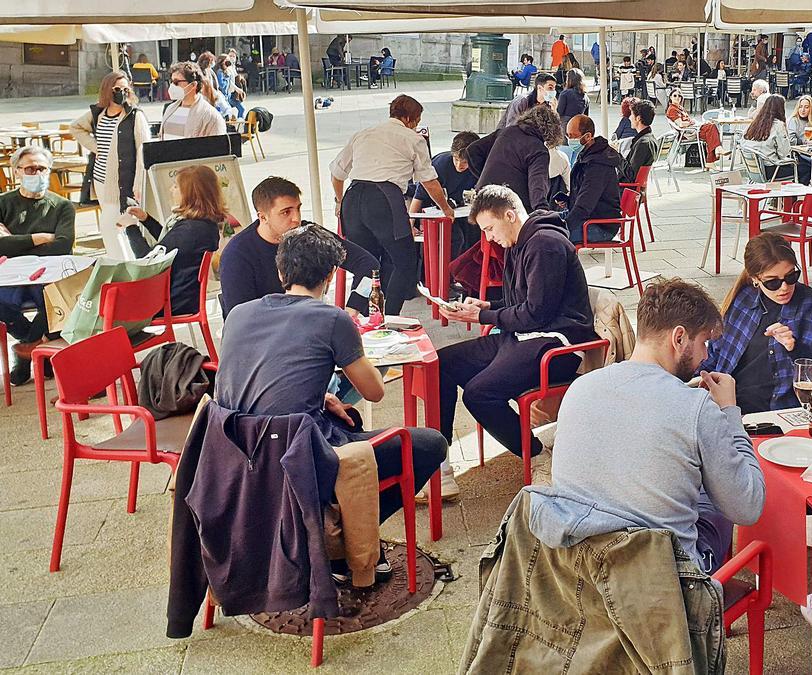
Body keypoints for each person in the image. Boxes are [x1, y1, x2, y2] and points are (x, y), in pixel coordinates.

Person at [216, 223, 447, 584]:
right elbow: (374, 391)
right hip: (302, 457)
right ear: (330, 275)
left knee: (346, 422)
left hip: (239, 457)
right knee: (429, 444)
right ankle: (342, 540)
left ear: (281, 270)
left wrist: (318, 395)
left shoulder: (239, 314)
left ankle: (334, 537)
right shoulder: (332, 318)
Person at [538, 277, 765, 573]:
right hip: (664, 585)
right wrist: (729, 412)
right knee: (715, 498)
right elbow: (748, 507)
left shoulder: (580, 388)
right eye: (704, 342)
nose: (706, 355)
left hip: (580, 573)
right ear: (679, 337)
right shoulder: (697, 408)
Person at [435, 185, 597, 465]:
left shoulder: (545, 245)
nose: (488, 238)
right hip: (526, 335)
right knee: (441, 364)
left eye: (489, 228)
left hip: (558, 344)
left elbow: (536, 313)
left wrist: (482, 317)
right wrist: (487, 307)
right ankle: (439, 460)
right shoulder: (518, 242)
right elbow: (520, 304)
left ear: (509, 215)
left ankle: (536, 456)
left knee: (479, 394)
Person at [331, 95, 453, 316]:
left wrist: (339, 201)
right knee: (404, 263)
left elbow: (337, 173)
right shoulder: (412, 138)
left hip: (353, 197)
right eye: (416, 121)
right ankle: (388, 317)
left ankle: (356, 315)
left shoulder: (363, 134)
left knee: (366, 265)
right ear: (409, 119)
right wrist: (446, 209)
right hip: (384, 199)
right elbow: (429, 181)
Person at [700, 233, 812, 412]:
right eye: (772, 283)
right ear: (755, 278)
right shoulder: (741, 300)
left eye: (791, 276)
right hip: (726, 407)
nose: (784, 287)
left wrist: (796, 350)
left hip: (782, 414)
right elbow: (715, 356)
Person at [219, 177, 378, 318]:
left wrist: (353, 307)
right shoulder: (237, 255)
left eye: (298, 208)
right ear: (263, 217)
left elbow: (368, 265)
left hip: (308, 324)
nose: (296, 219)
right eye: (286, 212)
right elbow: (239, 318)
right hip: (263, 338)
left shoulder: (307, 234)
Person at [0, 146, 75, 385]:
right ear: (17, 171)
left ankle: (26, 354)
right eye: (30, 168)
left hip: (47, 272)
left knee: (55, 299)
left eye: (42, 168)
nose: (37, 173)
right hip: (9, 273)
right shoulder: (4, 204)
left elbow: (62, 246)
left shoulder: (62, 206)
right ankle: (36, 347)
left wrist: (14, 242)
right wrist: (38, 238)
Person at [69, 71, 150, 261]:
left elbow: (143, 150)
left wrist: (138, 183)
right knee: (116, 226)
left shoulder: (134, 116)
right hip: (99, 179)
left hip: (121, 181)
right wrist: (97, 147)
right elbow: (75, 127)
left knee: (109, 226)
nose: (121, 93)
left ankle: (122, 267)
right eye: (116, 89)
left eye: (124, 89)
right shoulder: (99, 113)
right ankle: (126, 264)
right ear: (107, 90)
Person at [121, 165, 222, 316]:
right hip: (183, 296)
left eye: (176, 186)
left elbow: (147, 260)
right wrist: (146, 219)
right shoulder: (203, 225)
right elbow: (169, 245)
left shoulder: (189, 230)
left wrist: (130, 228)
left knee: (107, 300)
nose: (171, 190)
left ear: (189, 194)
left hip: (170, 302)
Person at [470, 105, 562, 213]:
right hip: (512, 205)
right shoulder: (538, 149)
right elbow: (537, 184)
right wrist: (542, 210)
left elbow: (472, 151)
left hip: (484, 197)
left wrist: (487, 176)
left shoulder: (506, 132)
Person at [411, 131, 481, 258]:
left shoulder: (479, 166)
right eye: (456, 159)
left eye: (465, 162)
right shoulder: (441, 164)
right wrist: (410, 223)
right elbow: (419, 196)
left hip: (463, 209)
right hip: (438, 209)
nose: (459, 165)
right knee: (455, 238)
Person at [557, 115, 622, 244]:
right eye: (568, 136)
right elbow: (585, 197)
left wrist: (564, 227)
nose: (569, 140)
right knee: (536, 220)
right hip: (588, 218)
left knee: (547, 236)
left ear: (587, 136)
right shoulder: (587, 155)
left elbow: (584, 206)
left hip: (599, 225)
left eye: (573, 136)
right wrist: (568, 200)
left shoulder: (598, 165)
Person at [160, 62, 225, 139]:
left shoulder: (211, 116)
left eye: (176, 82)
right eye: (171, 82)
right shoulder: (170, 109)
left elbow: (218, 147)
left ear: (193, 85)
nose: (172, 86)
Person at [741, 94, 795, 181]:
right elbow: (783, 153)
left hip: (753, 170)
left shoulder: (753, 124)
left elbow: (742, 143)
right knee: (805, 169)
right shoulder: (778, 125)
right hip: (771, 170)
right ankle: (795, 194)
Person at [665, 89, 722, 165]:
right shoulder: (672, 109)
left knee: (711, 131)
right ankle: (715, 153)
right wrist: (690, 122)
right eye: (675, 95)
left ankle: (712, 159)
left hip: (692, 129)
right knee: (711, 128)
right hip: (687, 133)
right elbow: (681, 124)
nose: (677, 97)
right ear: (670, 97)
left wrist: (693, 123)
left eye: (679, 96)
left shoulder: (680, 108)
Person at [619, 100, 658, 184]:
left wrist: (616, 156)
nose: (630, 118)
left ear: (638, 118)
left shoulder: (643, 143)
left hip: (624, 189)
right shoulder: (651, 139)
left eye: (632, 115)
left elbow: (631, 175)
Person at [214, 53, 245, 119]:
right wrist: (227, 77)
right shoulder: (220, 72)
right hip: (223, 97)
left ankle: (240, 121)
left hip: (229, 95)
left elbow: (231, 81)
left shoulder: (229, 69)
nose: (229, 61)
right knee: (226, 114)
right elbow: (222, 85)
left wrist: (237, 88)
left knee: (241, 109)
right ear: (222, 61)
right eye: (227, 60)